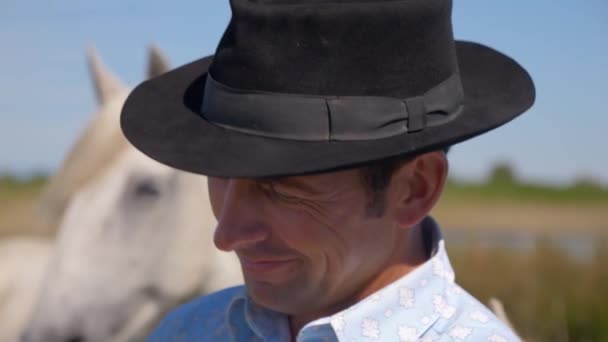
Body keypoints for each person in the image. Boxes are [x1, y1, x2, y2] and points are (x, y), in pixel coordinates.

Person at [121, 0, 535, 340]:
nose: (226, 236)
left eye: (281, 190)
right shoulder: (185, 331)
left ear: (415, 188)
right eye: (220, 174)